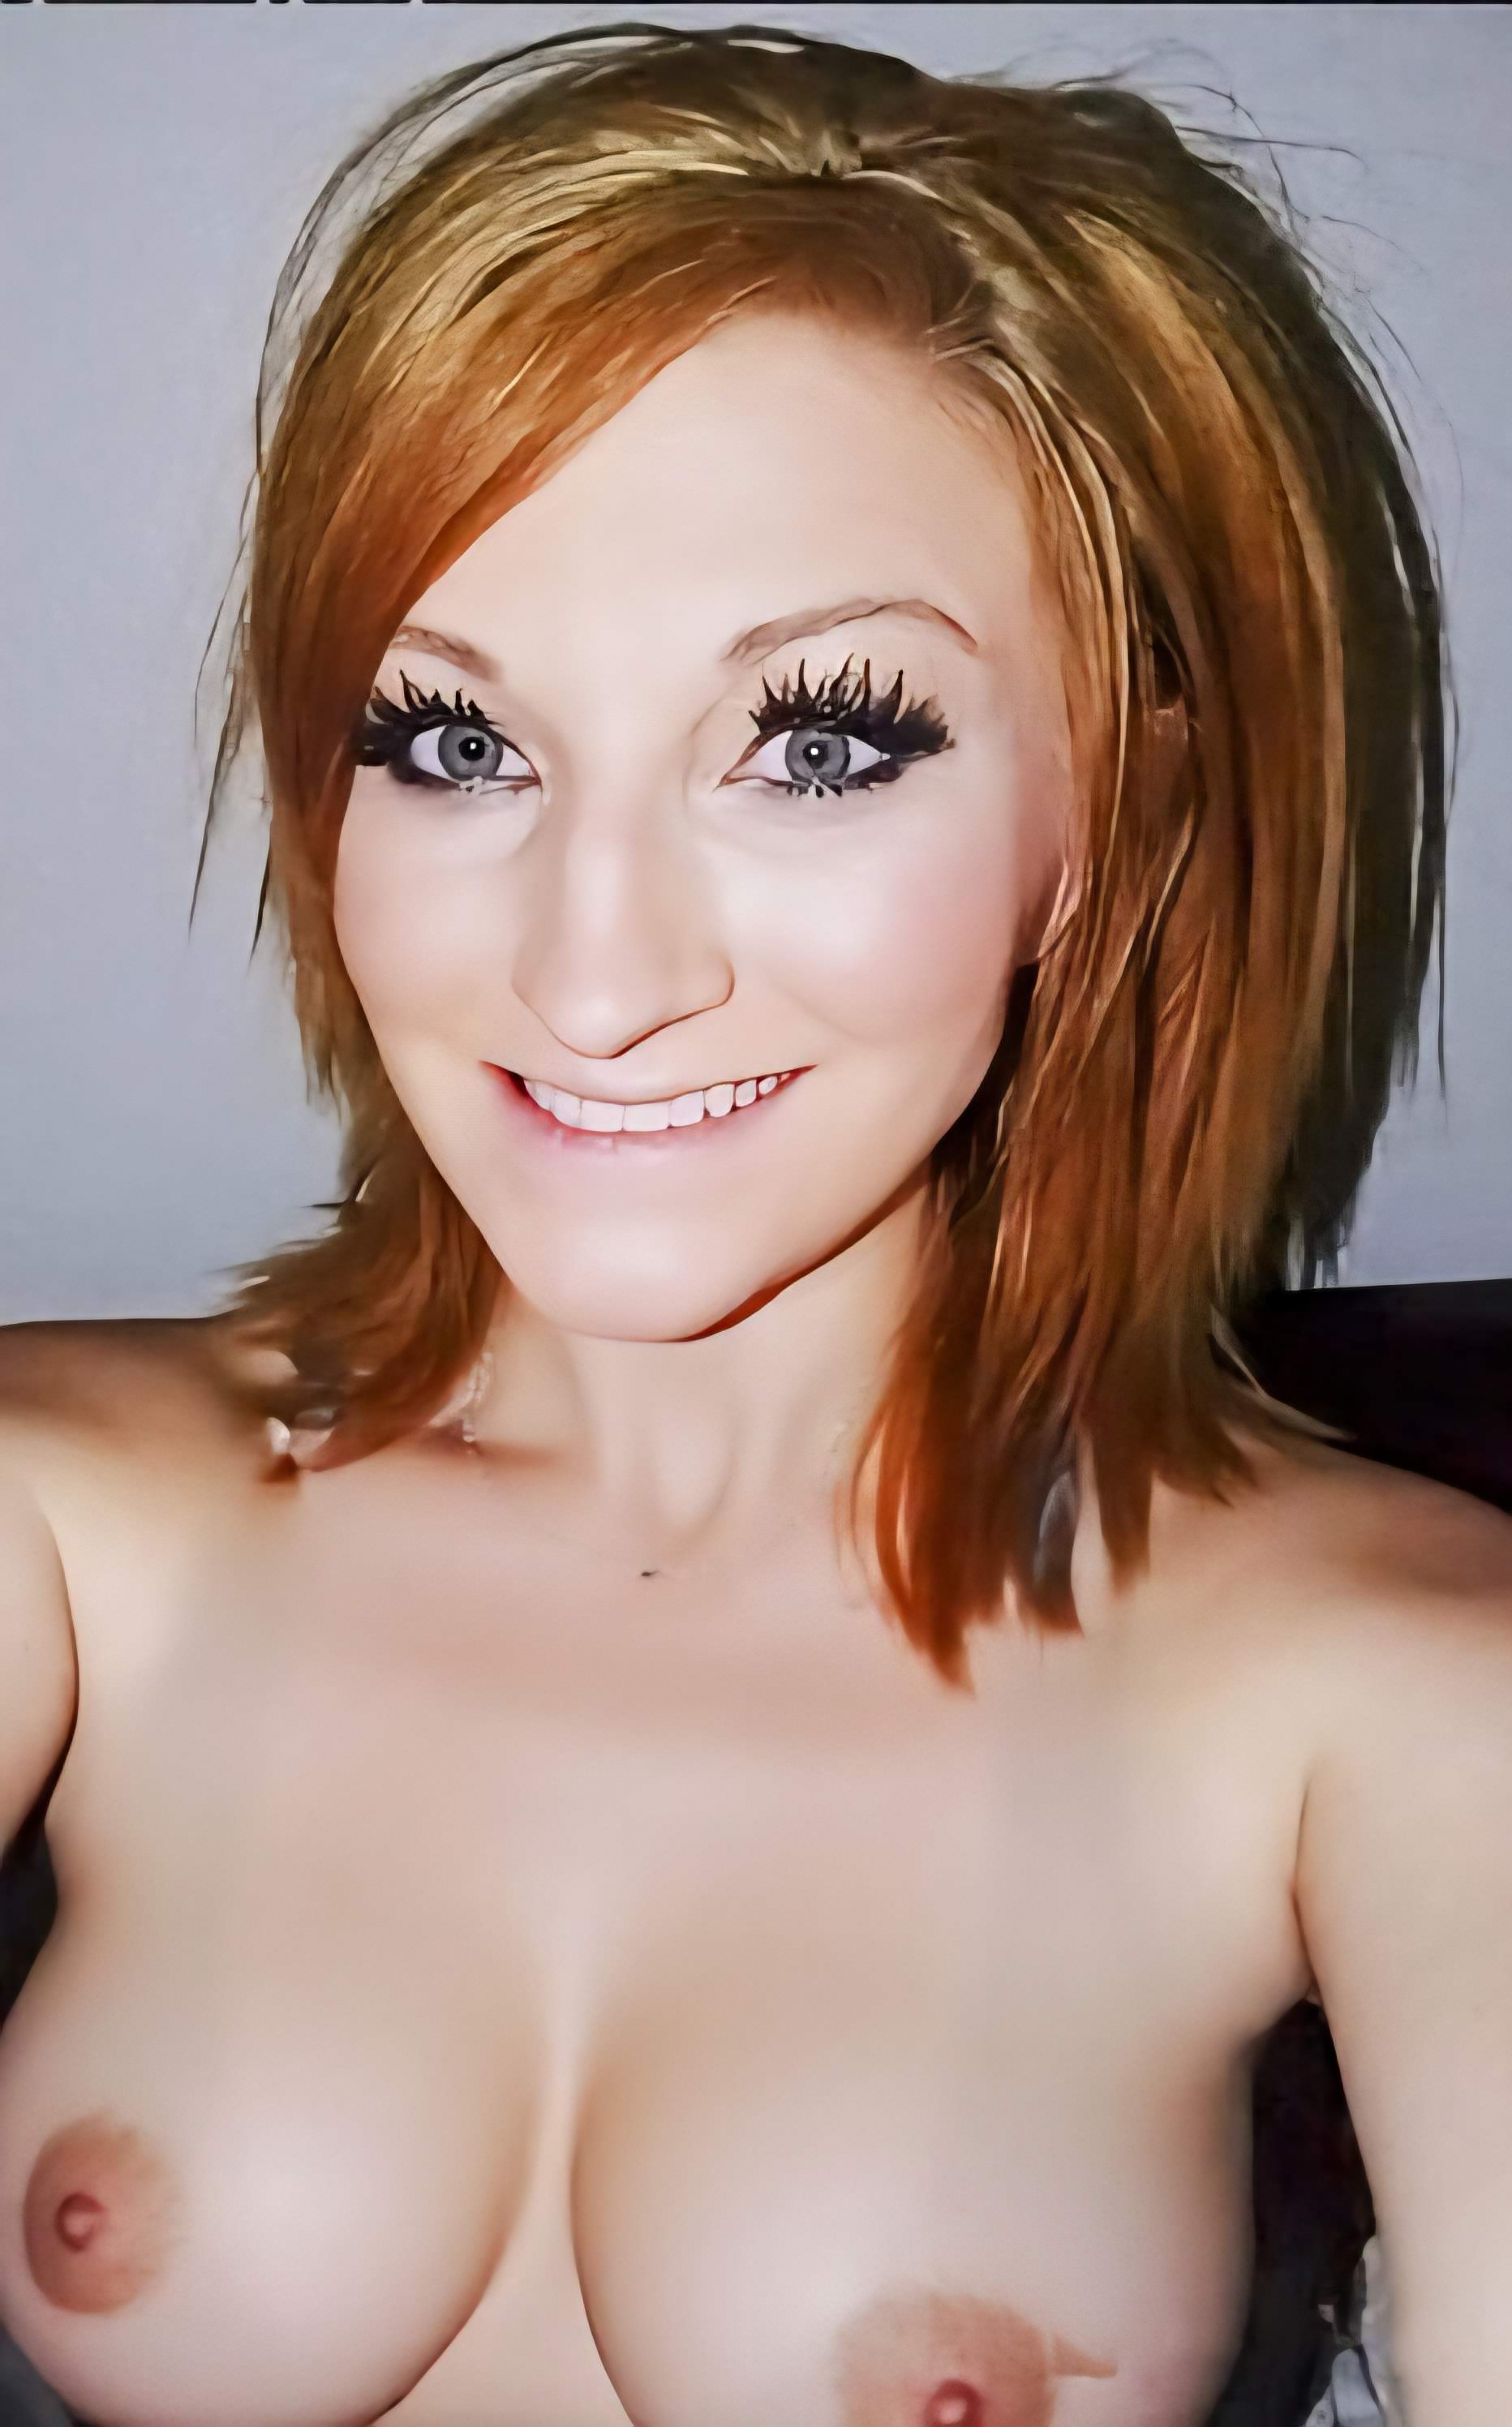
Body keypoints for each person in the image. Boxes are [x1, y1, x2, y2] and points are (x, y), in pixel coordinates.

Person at [0, 19, 1507, 2426]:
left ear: (1114, 807)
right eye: (455, 740)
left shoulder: (1397, 1691)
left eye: (817, 744)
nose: (593, 976)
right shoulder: (65, 1528)